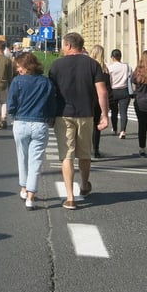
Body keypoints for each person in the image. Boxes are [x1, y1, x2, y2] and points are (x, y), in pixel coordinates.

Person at [48, 32, 109, 210]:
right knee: (84, 153)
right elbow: (102, 92)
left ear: (68, 45)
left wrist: (50, 116)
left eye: (62, 45)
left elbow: (51, 93)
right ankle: (84, 185)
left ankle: (69, 197)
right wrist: (104, 115)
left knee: (66, 155)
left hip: (63, 114)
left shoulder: (56, 65)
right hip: (86, 114)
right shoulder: (93, 64)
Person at [7, 52, 56, 210]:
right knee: (36, 161)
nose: (17, 69)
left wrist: (14, 115)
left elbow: (11, 104)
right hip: (40, 124)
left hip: (21, 123)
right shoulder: (46, 82)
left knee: (22, 157)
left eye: (19, 66)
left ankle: (23, 188)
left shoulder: (17, 81)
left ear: (26, 66)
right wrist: (50, 118)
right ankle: (30, 196)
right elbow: (51, 103)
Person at [88, 45, 111, 159]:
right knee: (97, 125)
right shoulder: (105, 70)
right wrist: (107, 106)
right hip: (99, 101)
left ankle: (86, 150)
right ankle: (95, 149)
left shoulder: (87, 68)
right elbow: (107, 89)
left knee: (86, 126)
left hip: (87, 100)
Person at [107, 49, 132, 139]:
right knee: (123, 112)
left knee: (114, 111)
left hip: (113, 91)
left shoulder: (110, 68)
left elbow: (108, 81)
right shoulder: (127, 67)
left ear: (112, 57)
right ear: (120, 57)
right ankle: (123, 131)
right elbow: (130, 78)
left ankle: (114, 128)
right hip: (124, 91)